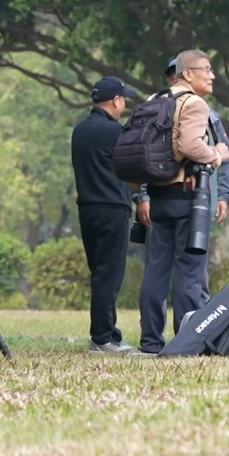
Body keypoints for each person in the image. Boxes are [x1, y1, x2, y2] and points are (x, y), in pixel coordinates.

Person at [137, 49, 229, 353]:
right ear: (187, 74)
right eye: (207, 69)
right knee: (190, 271)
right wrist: (216, 155)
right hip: (187, 198)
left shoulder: (154, 100)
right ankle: (186, 341)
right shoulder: (194, 103)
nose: (212, 75)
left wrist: (142, 194)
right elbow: (190, 144)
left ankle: (151, 341)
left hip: (158, 196)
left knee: (156, 271)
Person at [71, 76, 139, 354]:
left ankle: (109, 332)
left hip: (87, 209)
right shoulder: (116, 132)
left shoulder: (80, 130)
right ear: (116, 101)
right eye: (123, 99)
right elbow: (134, 168)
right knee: (109, 276)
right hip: (113, 208)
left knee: (99, 273)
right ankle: (102, 338)